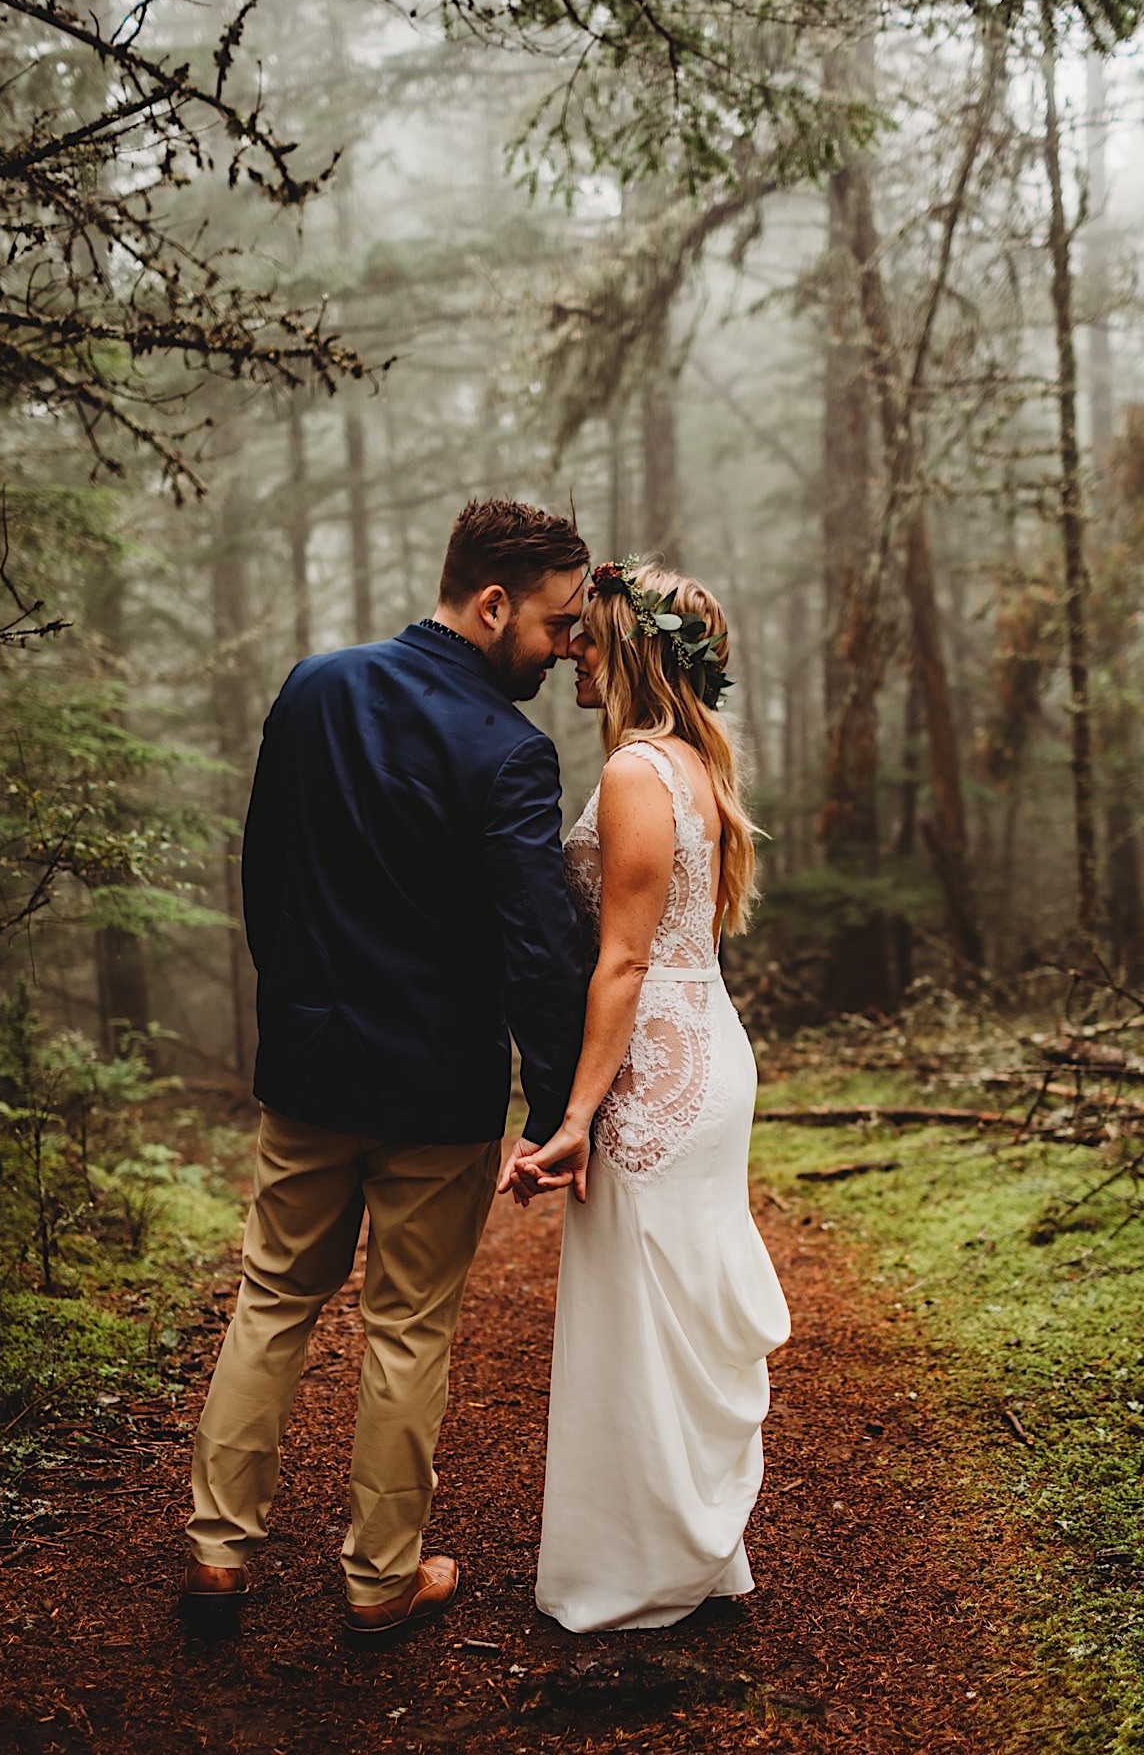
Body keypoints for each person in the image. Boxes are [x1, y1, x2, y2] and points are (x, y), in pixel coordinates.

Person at [181, 498, 588, 1633]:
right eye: (556, 625)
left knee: (271, 1300)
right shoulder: (509, 750)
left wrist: (299, 1005)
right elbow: (538, 948)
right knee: (409, 1328)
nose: (563, 651)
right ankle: (379, 1579)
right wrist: (560, 1109)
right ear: (493, 601)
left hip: (310, 1066)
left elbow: (262, 876)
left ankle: (217, 1556)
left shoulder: (314, 686)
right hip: (435, 1091)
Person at [500, 557, 791, 1634]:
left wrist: (571, 1117)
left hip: (659, 1074)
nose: (572, 647)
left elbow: (620, 963)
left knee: (640, 1311)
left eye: (590, 635)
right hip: (703, 1045)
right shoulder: (692, 764)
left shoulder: (634, 773)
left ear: (632, 648)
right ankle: (690, 1551)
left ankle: (638, 1571)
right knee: (661, 1314)